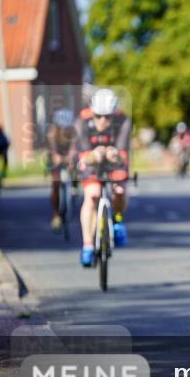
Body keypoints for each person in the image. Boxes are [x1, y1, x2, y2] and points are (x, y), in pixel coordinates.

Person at [75, 89, 132, 267]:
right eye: (98, 116)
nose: (102, 121)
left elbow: (122, 153)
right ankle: (87, 245)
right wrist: (95, 155)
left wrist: (114, 154)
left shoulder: (124, 121)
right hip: (92, 159)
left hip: (114, 159)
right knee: (92, 194)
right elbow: (84, 156)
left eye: (107, 117)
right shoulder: (81, 122)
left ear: (114, 113)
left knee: (119, 190)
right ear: (92, 112)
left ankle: (118, 221)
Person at [47, 108, 77, 229]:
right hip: (56, 158)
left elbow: (74, 147)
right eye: (62, 127)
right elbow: (52, 149)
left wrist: (71, 158)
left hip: (68, 157)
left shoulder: (74, 132)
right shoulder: (52, 132)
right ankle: (55, 215)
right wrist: (56, 156)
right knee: (55, 183)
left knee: (76, 166)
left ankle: (74, 186)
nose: (64, 130)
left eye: (67, 128)